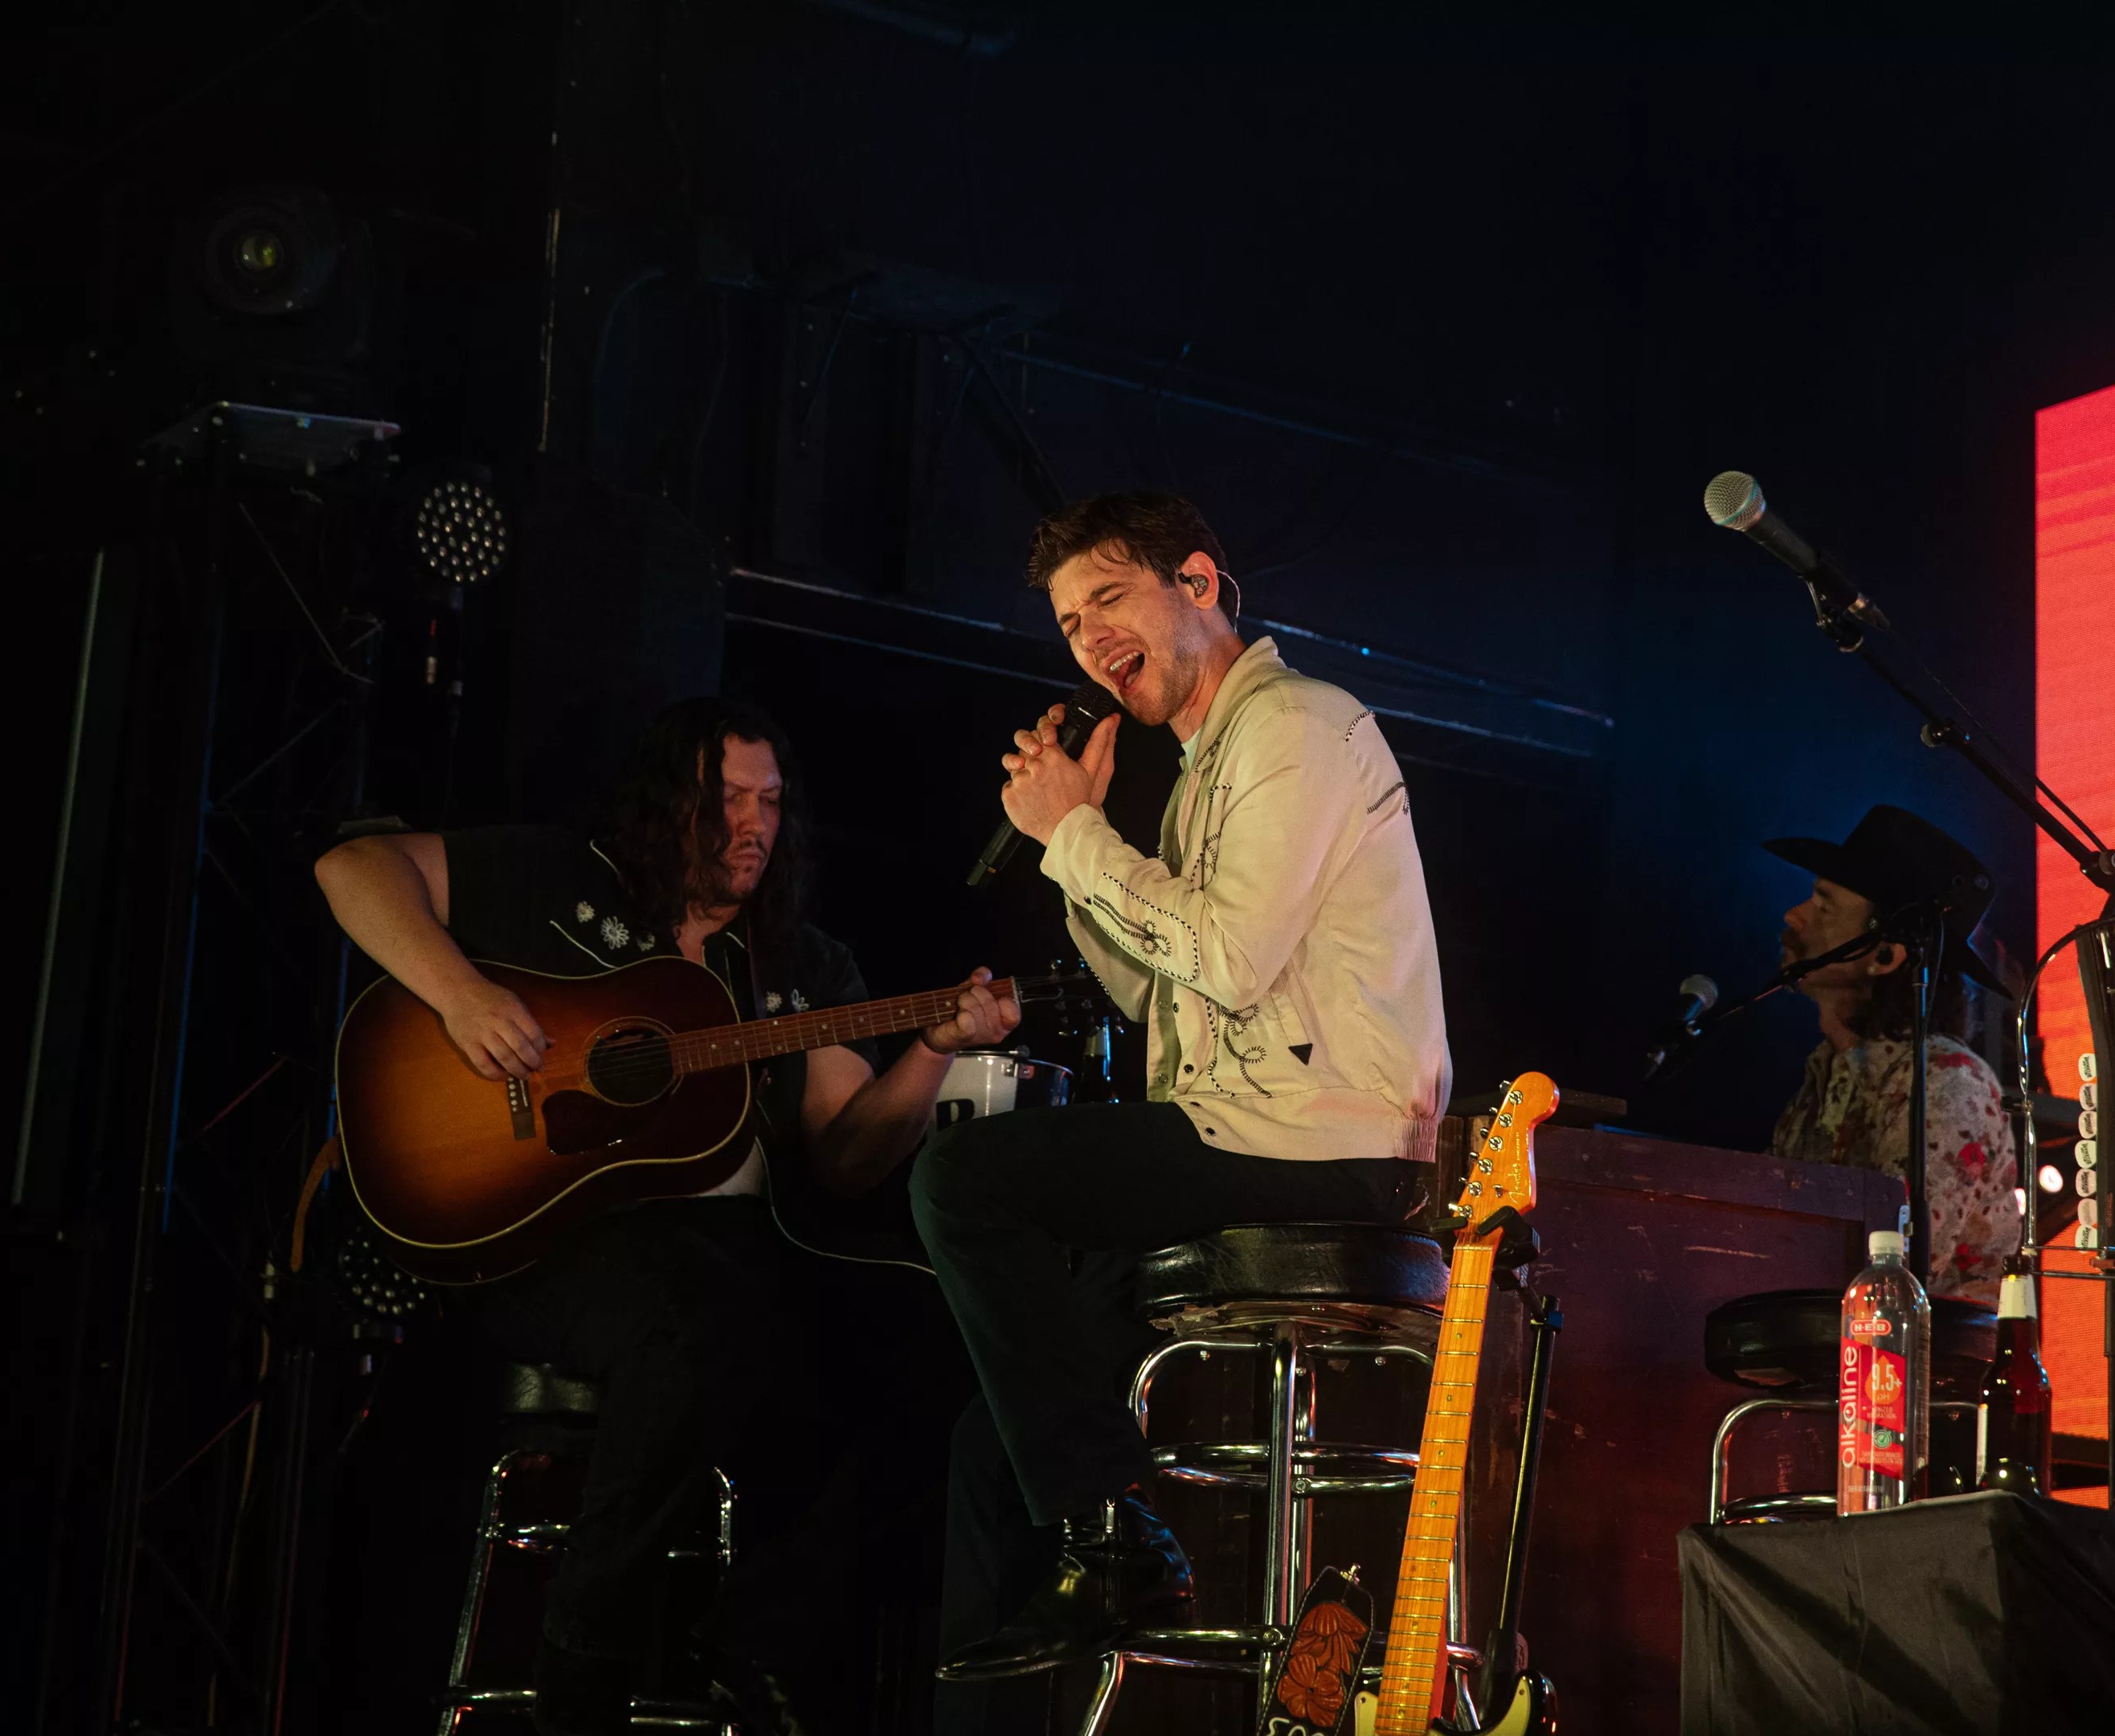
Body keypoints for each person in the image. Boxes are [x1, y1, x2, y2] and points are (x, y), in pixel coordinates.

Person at [313, 697, 1018, 1736]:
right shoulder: (562, 878)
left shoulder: (800, 965)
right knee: (694, 1315)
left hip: (741, 1254)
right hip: (561, 1244)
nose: (752, 825)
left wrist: (932, 1048)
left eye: (769, 802)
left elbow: (848, 1155)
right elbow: (352, 870)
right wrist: (459, 993)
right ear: (664, 803)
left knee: (942, 1340)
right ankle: (582, 1667)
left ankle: (765, 1630)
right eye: (725, 799)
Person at [910, 490, 1452, 1697]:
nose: (1088, 638)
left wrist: (1075, 838)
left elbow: (1231, 958)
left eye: (1109, 598)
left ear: (1197, 585)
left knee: (960, 1180)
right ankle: (1065, 1598)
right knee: (996, 1437)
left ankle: (1116, 1539)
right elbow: (1155, 990)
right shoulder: (1209, 766)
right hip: (1240, 1132)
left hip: (1323, 1145)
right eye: (1068, 623)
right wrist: (1078, 840)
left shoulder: (1297, 725)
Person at [1765, 804, 2022, 1304]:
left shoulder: (1946, 1082)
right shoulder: (1824, 1074)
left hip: (1924, 1354)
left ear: (1885, 957)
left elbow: (1896, 1272)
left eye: (1824, 905)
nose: (1793, 915)